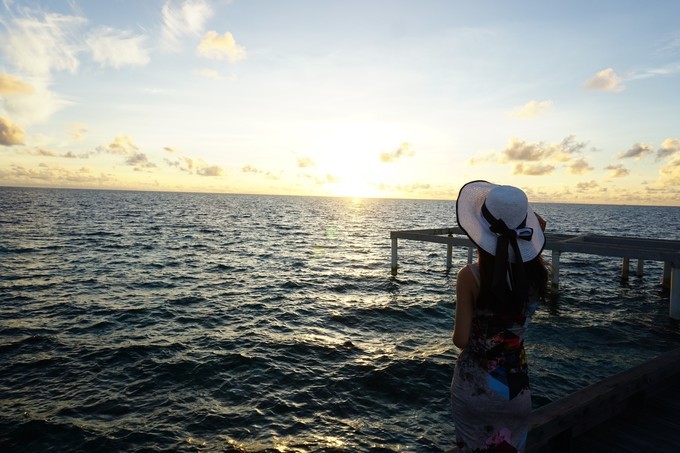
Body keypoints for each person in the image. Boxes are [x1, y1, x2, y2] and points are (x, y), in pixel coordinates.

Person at [451, 180, 548, 453]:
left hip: (476, 389)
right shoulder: (536, 276)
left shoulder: (470, 276)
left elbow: (461, 340)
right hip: (515, 389)